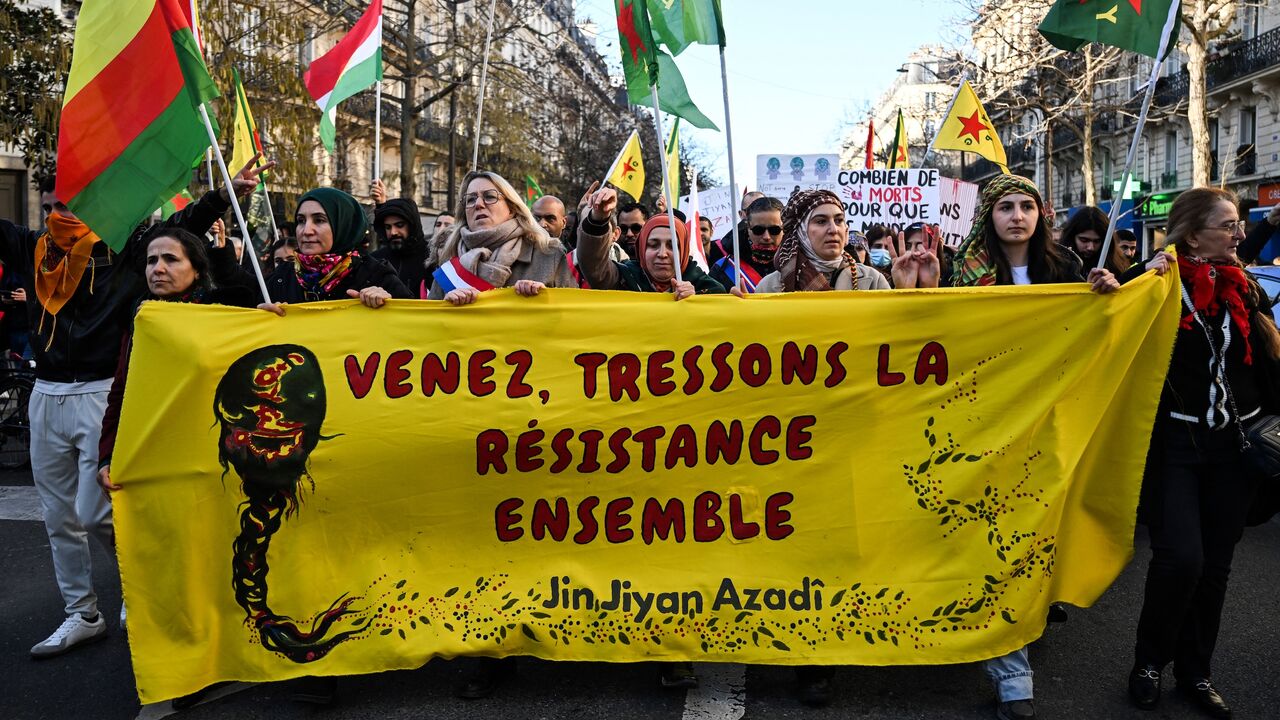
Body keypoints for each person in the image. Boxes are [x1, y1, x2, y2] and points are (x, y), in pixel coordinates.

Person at [3, 158, 268, 660]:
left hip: (100, 392)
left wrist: (222, 193)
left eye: (72, 203)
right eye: (55, 202)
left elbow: (180, 231)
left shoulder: (122, 249)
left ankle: (138, 589)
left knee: (99, 511)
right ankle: (81, 613)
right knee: (59, 516)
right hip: (46, 393)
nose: (60, 211)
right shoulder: (32, 249)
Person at [942, 174, 1119, 720]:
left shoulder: (1067, 269)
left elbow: (1097, 332)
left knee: (1035, 535)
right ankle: (1011, 671)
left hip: (1050, 425)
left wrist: (1113, 293)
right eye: (1005, 208)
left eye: (1026, 206)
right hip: (985, 427)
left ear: (1040, 214)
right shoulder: (963, 274)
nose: (1016, 216)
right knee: (996, 537)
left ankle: (1022, 615)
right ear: (988, 217)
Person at [1126, 187, 1280, 720]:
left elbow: (1259, 353)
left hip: (1234, 449)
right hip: (1176, 446)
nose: (1240, 234)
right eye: (1229, 225)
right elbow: (1112, 316)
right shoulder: (1158, 284)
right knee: (1180, 559)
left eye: (1240, 226)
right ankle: (1149, 662)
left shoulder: (1245, 285)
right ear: (1193, 235)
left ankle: (1196, 671)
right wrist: (1110, 284)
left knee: (1215, 566)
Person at [97, 226, 259, 493]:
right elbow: (121, 394)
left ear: (196, 270)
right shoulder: (138, 319)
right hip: (148, 451)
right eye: (152, 260)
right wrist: (106, 457)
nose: (158, 269)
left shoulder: (225, 315)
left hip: (210, 458)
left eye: (171, 259)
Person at [428, 171, 574, 307]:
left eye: (490, 196)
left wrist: (547, 298)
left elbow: (572, 315)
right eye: (470, 199)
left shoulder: (547, 254)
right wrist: (445, 307)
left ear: (511, 208)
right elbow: (431, 327)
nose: (478, 204)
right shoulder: (450, 263)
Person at [260, 187, 412, 310]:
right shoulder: (282, 276)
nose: (306, 230)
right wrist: (264, 317)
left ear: (343, 226)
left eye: (319, 220)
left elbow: (414, 324)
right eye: (301, 221)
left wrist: (390, 305)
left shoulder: (374, 275)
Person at [577, 187, 725, 296]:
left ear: (685, 251)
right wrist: (598, 218)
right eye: (653, 245)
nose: (662, 254)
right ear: (642, 249)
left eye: (672, 246)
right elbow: (594, 267)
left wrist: (697, 302)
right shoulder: (624, 277)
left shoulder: (709, 289)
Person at [754, 190, 893, 295]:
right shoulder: (770, 287)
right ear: (801, 232)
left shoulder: (873, 280)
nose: (833, 229)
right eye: (821, 221)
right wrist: (744, 310)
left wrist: (905, 287)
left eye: (839, 220)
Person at [710, 196, 784, 293]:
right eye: (758, 230)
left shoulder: (799, 265)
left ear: (784, 228)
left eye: (774, 230)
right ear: (748, 228)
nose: (767, 237)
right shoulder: (723, 268)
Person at [370, 179, 430, 298]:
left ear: (412, 225)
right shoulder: (376, 260)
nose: (393, 232)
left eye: (399, 225)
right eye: (387, 227)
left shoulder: (433, 258)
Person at [708, 189, 765, 264]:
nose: (757, 214)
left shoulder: (782, 239)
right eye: (750, 210)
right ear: (741, 214)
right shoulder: (724, 247)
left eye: (762, 209)